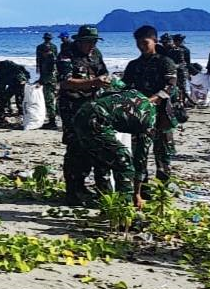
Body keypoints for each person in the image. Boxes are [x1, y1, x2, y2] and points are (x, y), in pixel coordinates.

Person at [75, 89, 159, 209]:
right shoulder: (150, 119)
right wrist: (136, 194)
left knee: (103, 160)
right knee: (124, 161)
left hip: (82, 112)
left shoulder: (140, 97)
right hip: (97, 120)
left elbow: (108, 94)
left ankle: (106, 204)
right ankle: (123, 209)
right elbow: (140, 159)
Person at [122, 25, 179, 197]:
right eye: (138, 43)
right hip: (140, 115)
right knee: (139, 152)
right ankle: (143, 188)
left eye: (145, 42)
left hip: (162, 114)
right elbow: (126, 86)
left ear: (154, 41)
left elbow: (171, 87)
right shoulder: (133, 65)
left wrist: (151, 100)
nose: (142, 46)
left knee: (163, 152)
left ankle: (164, 186)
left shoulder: (165, 62)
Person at [58, 25, 112, 204]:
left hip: (92, 105)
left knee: (91, 145)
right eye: (88, 42)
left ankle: (82, 186)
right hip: (72, 106)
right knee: (75, 147)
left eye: (94, 42)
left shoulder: (96, 54)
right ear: (79, 41)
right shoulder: (67, 54)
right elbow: (65, 82)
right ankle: (72, 189)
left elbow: (103, 72)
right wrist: (93, 82)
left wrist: (106, 80)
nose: (91, 46)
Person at [35, 32, 59, 129]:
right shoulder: (54, 47)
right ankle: (54, 118)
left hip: (48, 77)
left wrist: (39, 71)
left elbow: (38, 60)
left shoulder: (40, 47)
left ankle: (52, 121)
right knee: (54, 98)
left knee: (48, 99)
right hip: (52, 76)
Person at [170, 34, 192, 107]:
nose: (175, 42)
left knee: (182, 87)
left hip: (182, 71)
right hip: (175, 70)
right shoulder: (171, 50)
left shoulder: (185, 50)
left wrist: (188, 73)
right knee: (176, 87)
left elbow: (187, 63)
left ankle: (183, 102)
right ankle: (178, 101)